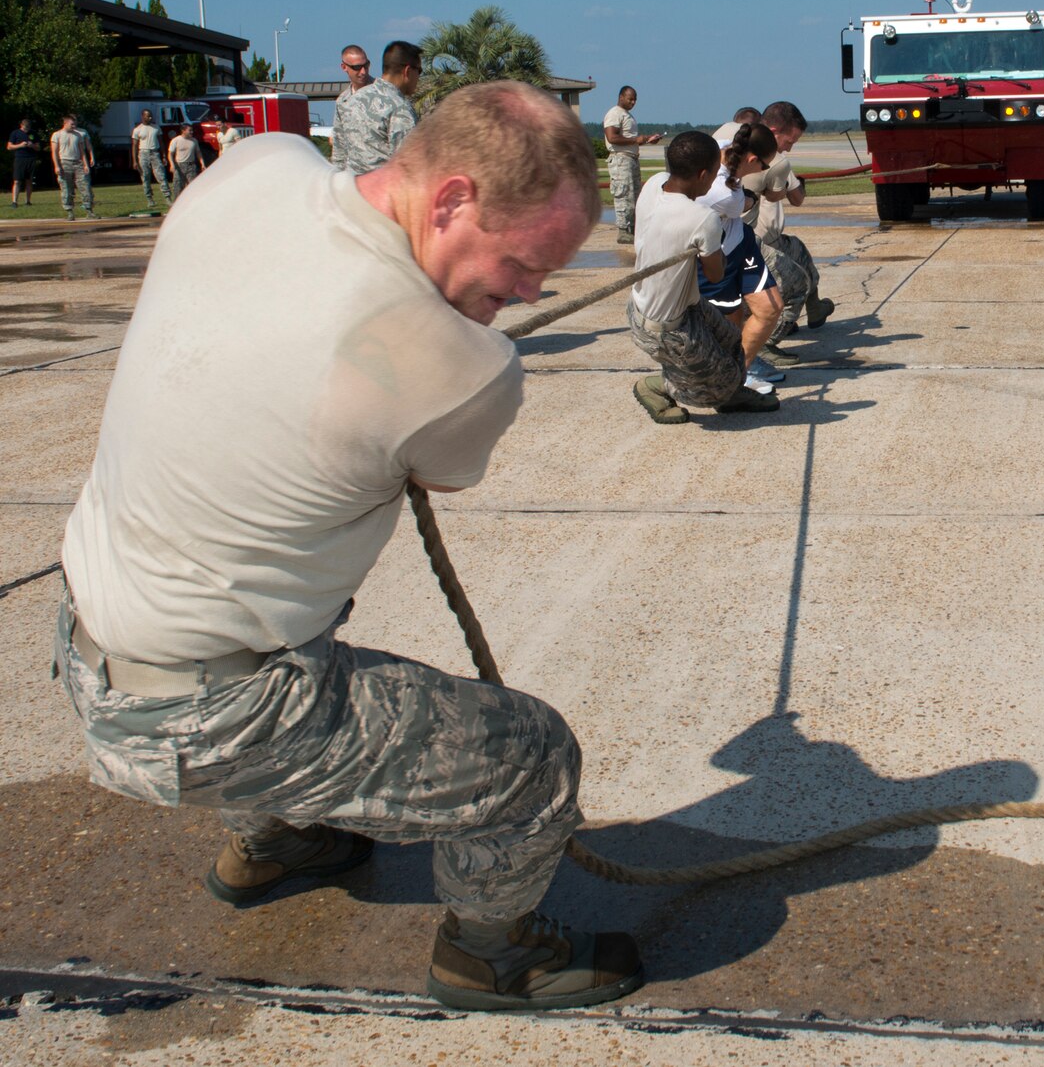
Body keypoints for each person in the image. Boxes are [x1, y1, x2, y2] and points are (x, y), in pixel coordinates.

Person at [56, 81, 642, 1012]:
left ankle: (278, 835)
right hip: (207, 717)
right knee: (533, 757)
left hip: (85, 639)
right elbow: (440, 470)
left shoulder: (254, 168)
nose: (530, 293)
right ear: (451, 199)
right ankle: (491, 956)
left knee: (300, 602)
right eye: (524, 264)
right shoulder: (467, 367)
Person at [628, 131, 773, 422]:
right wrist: (710, 245)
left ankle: (731, 387)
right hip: (664, 327)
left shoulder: (655, 183)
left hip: (653, 305)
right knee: (709, 392)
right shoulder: (701, 218)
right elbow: (716, 274)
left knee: (732, 338)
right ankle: (656, 387)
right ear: (705, 174)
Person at [740, 100, 833, 359]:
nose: (789, 148)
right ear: (773, 131)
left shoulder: (762, 153)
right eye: (789, 141)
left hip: (769, 236)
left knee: (799, 251)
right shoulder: (775, 160)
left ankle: (813, 309)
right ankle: (766, 342)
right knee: (795, 283)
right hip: (753, 240)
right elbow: (795, 198)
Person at [700, 123, 786, 391]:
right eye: (763, 166)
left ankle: (741, 369)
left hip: (741, 242)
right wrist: (749, 197)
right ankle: (732, 378)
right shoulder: (724, 194)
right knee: (730, 320)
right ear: (751, 159)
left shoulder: (725, 146)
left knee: (770, 308)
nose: (763, 171)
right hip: (715, 257)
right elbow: (744, 202)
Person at [332, 40, 421, 172]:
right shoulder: (399, 107)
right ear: (407, 71)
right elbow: (409, 164)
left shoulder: (351, 102)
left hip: (351, 187)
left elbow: (339, 155)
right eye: (419, 71)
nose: (362, 72)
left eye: (365, 65)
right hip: (382, 188)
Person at [601, 86, 664, 245]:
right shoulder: (614, 114)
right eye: (630, 98)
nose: (633, 102)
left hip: (631, 158)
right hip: (620, 160)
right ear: (621, 97)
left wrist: (647, 139)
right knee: (624, 194)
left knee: (634, 195)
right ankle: (623, 230)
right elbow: (612, 137)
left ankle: (633, 228)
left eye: (635, 99)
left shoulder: (627, 116)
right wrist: (636, 140)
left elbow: (630, 139)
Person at [330, 45, 374, 171]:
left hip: (381, 178)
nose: (363, 72)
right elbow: (339, 145)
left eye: (366, 65)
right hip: (353, 178)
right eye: (357, 68)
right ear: (344, 67)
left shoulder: (385, 94)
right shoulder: (343, 102)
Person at [49, 113, 96, 220]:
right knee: (66, 188)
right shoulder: (57, 135)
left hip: (78, 163)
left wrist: (85, 164)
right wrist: (57, 166)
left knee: (85, 186)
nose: (74, 125)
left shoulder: (78, 135)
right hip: (64, 162)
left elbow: (82, 151)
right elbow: (54, 152)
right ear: (65, 123)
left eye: (74, 123)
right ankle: (69, 211)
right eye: (71, 124)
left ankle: (89, 210)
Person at [130, 109, 171, 208]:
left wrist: (164, 156)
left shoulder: (156, 128)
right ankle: (149, 199)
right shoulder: (137, 129)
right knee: (145, 177)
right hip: (143, 153)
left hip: (155, 153)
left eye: (151, 116)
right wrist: (135, 160)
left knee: (161, 176)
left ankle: (168, 198)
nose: (150, 118)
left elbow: (161, 142)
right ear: (143, 116)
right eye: (148, 116)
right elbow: (134, 146)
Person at [167, 124, 205, 199]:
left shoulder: (194, 141)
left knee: (192, 186)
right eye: (189, 130)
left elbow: (198, 153)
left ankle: (192, 202)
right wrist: (172, 164)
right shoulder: (176, 140)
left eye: (192, 130)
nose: (192, 132)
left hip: (191, 166)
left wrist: (202, 164)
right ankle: (177, 204)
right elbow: (170, 154)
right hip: (179, 166)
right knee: (177, 187)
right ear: (183, 131)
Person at [8, 118, 34, 207]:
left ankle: (28, 201)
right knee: (17, 180)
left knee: (29, 180)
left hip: (30, 158)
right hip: (20, 158)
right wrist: (20, 145)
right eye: (25, 127)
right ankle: (14, 201)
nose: (27, 129)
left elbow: (38, 147)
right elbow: (9, 147)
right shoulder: (15, 133)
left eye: (28, 127)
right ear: (21, 125)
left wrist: (32, 145)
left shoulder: (33, 133)